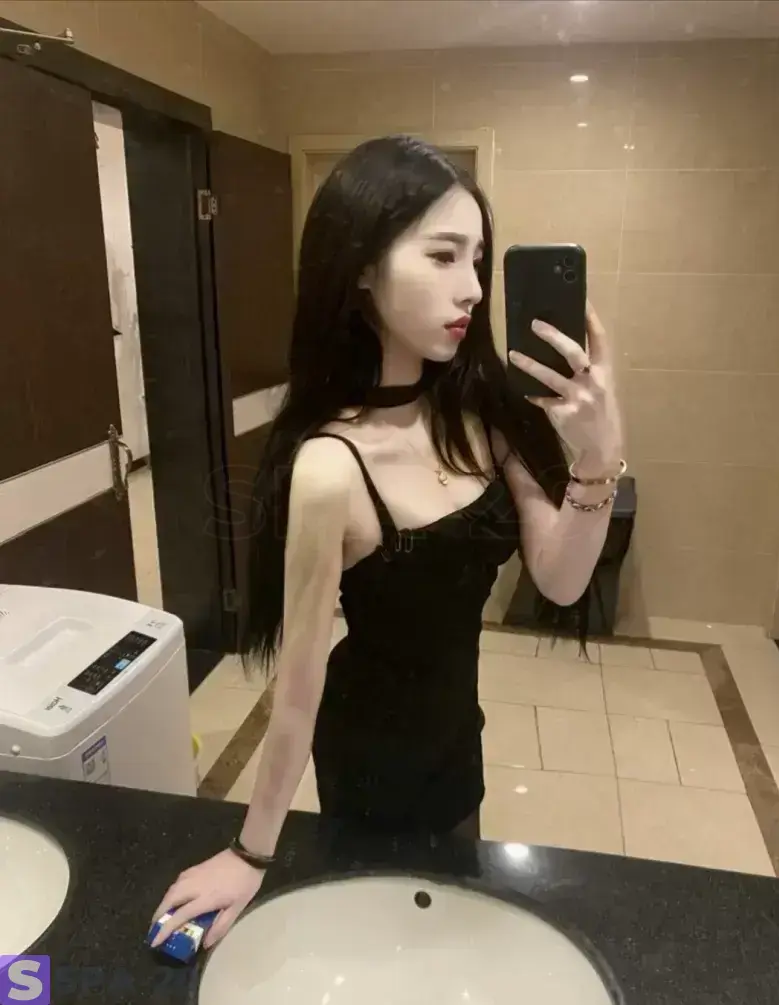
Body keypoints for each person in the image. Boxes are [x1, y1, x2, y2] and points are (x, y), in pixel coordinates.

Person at [151, 135, 624, 949]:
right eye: (443, 255)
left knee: (454, 939)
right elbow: (298, 689)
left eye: (478, 260)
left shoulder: (482, 415)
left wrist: (598, 454)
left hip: (459, 740)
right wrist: (250, 851)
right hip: (369, 761)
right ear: (363, 267)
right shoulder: (330, 467)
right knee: (381, 947)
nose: (471, 287)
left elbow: (561, 579)